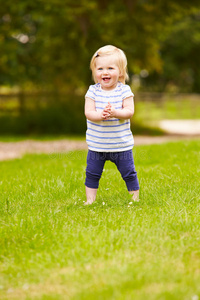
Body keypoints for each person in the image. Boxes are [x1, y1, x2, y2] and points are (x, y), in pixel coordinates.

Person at [84, 45, 139, 205]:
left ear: (120, 71)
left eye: (110, 68)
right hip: (97, 145)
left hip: (120, 145)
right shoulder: (92, 91)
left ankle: (134, 199)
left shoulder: (124, 91)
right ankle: (90, 200)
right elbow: (89, 112)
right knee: (92, 173)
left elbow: (129, 111)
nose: (105, 72)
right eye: (100, 68)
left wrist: (115, 112)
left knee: (128, 172)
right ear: (94, 72)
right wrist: (100, 115)